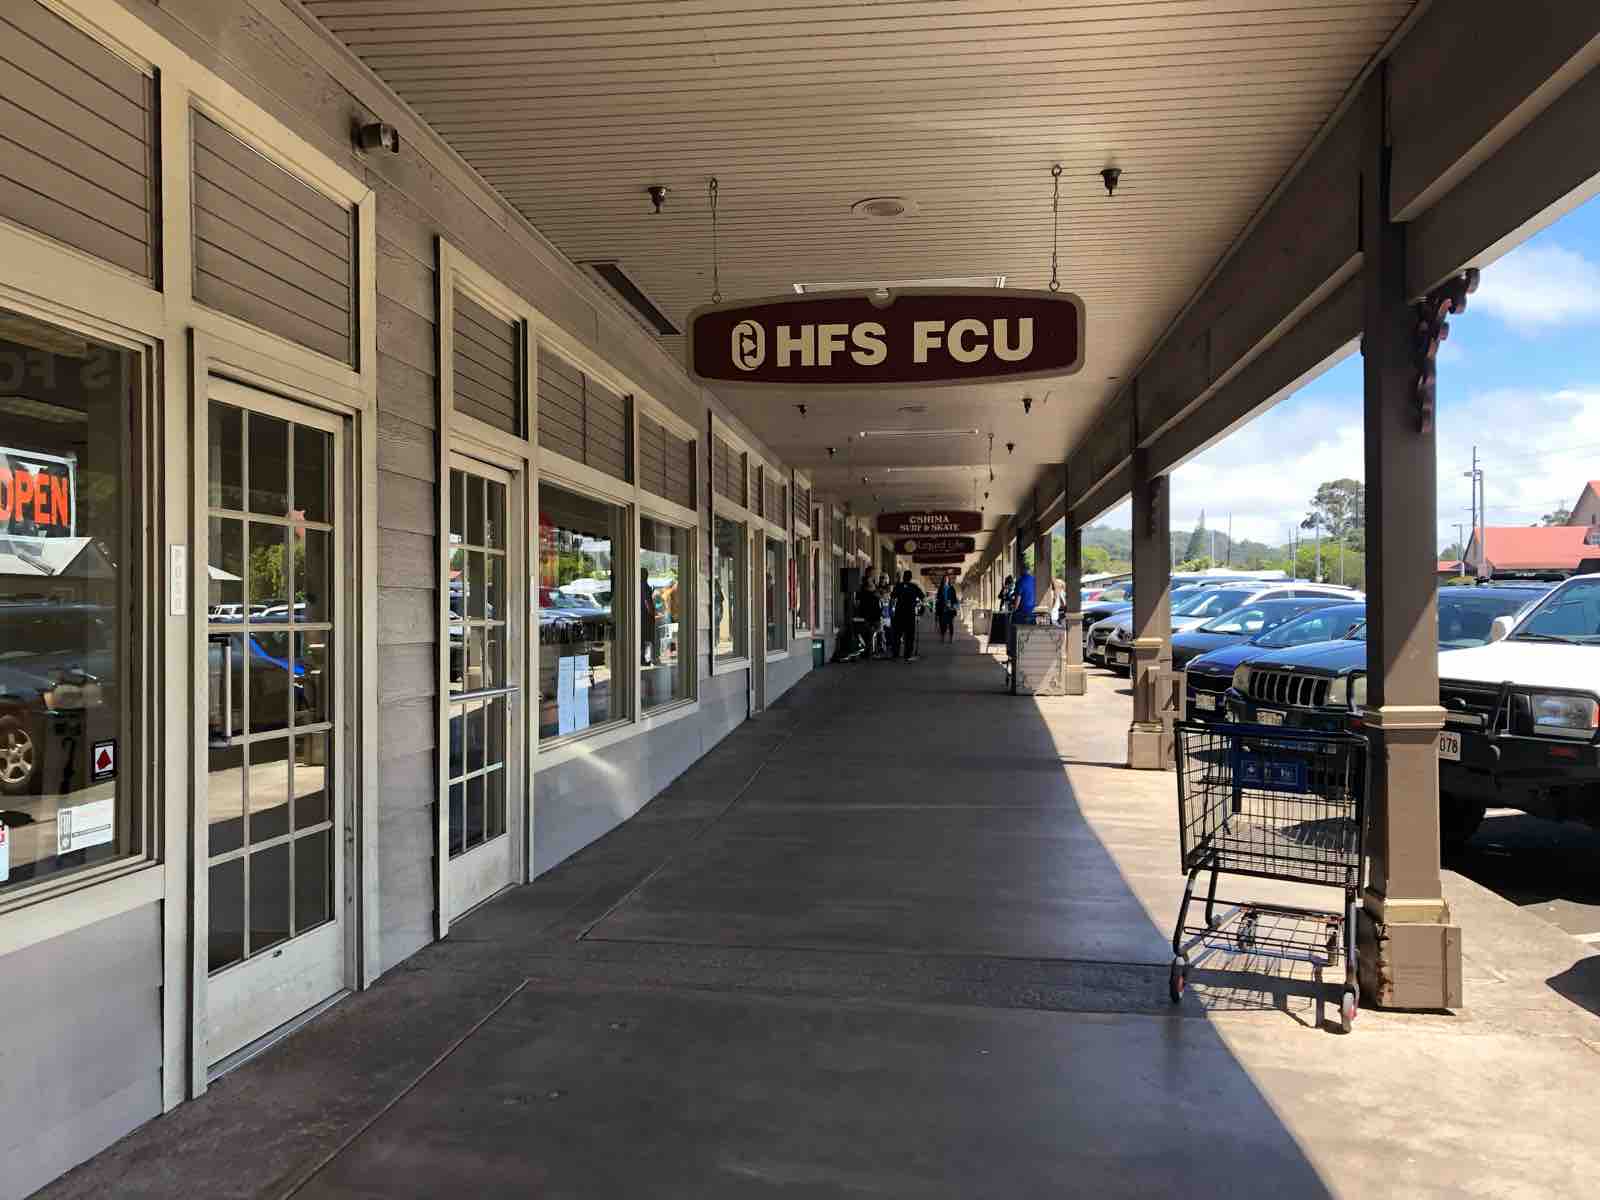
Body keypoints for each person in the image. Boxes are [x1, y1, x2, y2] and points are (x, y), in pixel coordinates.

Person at [891, 570, 926, 661]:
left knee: (897, 635)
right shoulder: (914, 587)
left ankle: (895, 653)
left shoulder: (898, 586)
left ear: (903, 577)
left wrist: (892, 610)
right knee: (909, 636)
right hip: (910, 614)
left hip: (899, 614)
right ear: (910, 578)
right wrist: (921, 609)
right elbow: (923, 598)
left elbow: (892, 598)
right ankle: (907, 654)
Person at [855, 574, 882, 664]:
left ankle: (874, 651)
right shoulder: (862, 591)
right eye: (870, 580)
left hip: (876, 615)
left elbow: (880, 600)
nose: (871, 582)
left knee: (876, 633)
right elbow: (858, 603)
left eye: (872, 581)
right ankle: (869, 652)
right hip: (866, 616)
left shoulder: (876, 591)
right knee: (868, 634)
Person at [936, 576, 958, 643]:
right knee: (942, 624)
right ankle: (943, 637)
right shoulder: (940, 588)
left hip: (950, 608)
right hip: (942, 608)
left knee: (950, 623)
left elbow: (954, 598)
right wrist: (937, 609)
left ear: (949, 580)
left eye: (947, 579)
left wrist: (954, 606)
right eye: (945, 579)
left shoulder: (951, 588)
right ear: (943, 580)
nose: (946, 580)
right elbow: (938, 598)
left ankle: (951, 637)